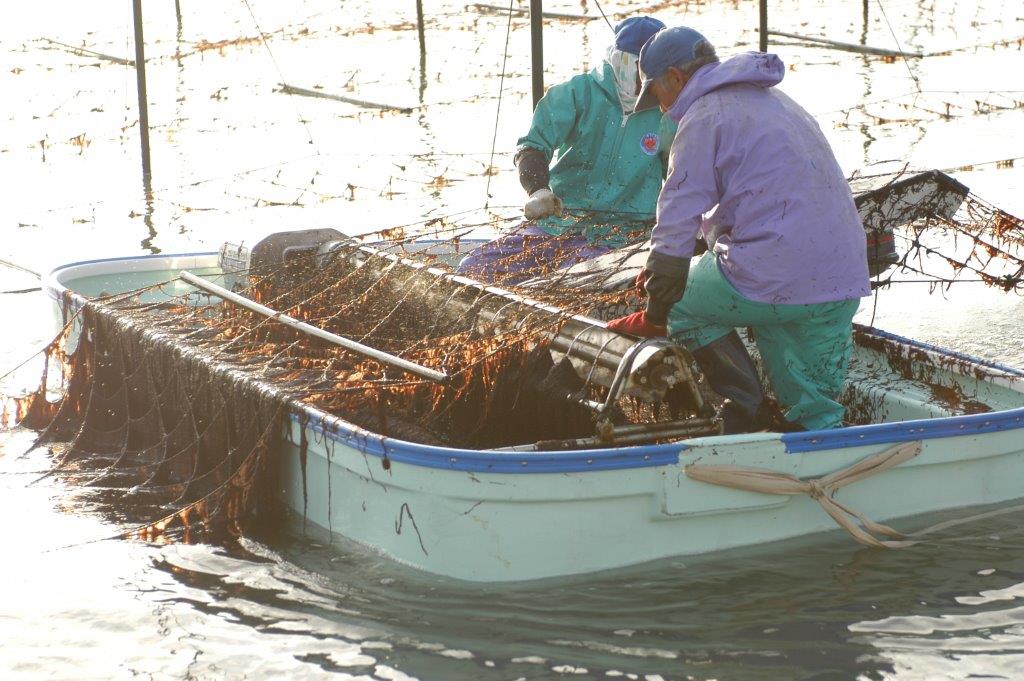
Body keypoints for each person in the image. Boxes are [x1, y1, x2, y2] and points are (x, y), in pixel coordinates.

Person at [607, 26, 871, 433]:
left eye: (655, 91)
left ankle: (748, 414)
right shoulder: (780, 102)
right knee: (815, 409)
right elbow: (757, 197)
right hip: (843, 278)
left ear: (675, 78)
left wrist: (658, 306)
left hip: (772, 272)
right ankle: (819, 452)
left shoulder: (703, 115)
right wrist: (683, 257)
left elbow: (677, 212)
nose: (659, 107)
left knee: (682, 304)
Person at [458, 16, 676, 283]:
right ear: (621, 61)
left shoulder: (669, 114)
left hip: (621, 237)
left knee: (566, 283)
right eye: (640, 70)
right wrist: (538, 190)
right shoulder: (578, 92)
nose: (646, 83)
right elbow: (532, 147)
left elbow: (684, 178)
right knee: (473, 267)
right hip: (559, 222)